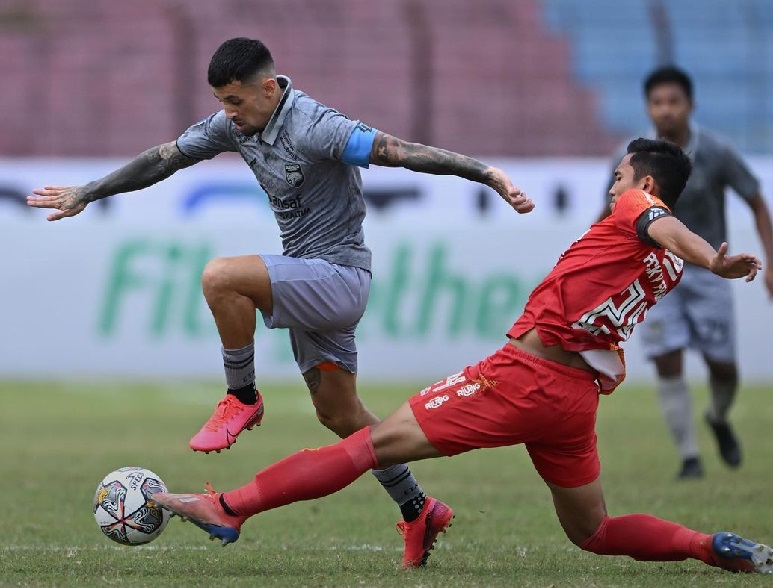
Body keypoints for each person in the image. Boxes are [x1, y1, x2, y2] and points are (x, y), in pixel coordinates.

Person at [151, 139, 773, 575]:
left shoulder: (641, 211)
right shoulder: (663, 264)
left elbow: (660, 225)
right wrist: (701, 260)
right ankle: (709, 546)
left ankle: (228, 508)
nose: (613, 186)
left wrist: (715, 260)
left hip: (523, 378)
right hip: (573, 403)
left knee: (364, 445)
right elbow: (663, 242)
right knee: (593, 532)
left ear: (643, 183)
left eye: (619, 177)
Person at [26, 37, 534, 567]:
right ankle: (418, 507)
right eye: (222, 102)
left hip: (338, 277)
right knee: (341, 415)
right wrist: (89, 190)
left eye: (235, 101)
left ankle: (242, 397)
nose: (227, 115)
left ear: (268, 88)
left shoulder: (317, 126)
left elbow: (400, 152)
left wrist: (489, 174)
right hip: (308, 276)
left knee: (222, 277)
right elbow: (165, 158)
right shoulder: (235, 123)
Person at [599, 66, 773, 480]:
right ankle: (689, 457)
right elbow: (610, 214)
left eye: (673, 102)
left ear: (690, 105)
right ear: (647, 107)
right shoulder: (628, 159)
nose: (665, 110)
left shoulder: (716, 151)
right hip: (653, 274)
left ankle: (718, 417)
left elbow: (757, 202)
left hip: (707, 271)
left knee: (722, 367)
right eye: (657, 103)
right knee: (666, 358)